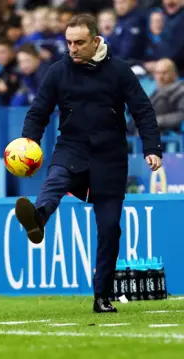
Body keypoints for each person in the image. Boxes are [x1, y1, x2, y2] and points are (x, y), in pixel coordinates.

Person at [15, 14, 162, 314]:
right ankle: (38, 219)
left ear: (96, 41)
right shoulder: (57, 72)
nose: (72, 48)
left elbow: (143, 110)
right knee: (55, 180)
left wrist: (152, 148)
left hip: (110, 157)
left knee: (110, 230)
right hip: (72, 148)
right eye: (68, 42)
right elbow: (38, 112)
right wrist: (28, 142)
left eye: (79, 42)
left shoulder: (119, 71)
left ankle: (102, 296)